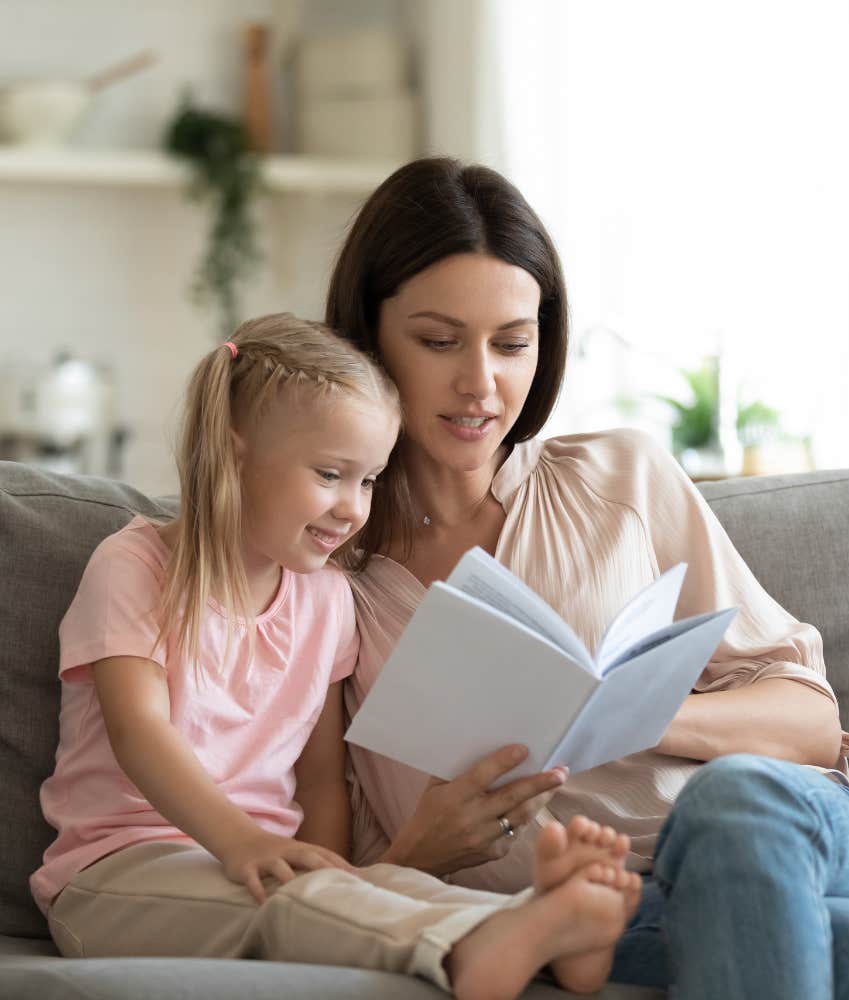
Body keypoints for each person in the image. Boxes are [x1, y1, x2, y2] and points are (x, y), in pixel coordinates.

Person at [326, 157, 849, 999]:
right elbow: (328, 878)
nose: (481, 383)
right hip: (594, 922)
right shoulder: (324, 577)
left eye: (512, 343)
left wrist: (637, 712)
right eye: (438, 340)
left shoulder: (621, 479)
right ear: (369, 334)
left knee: (737, 801)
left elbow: (813, 724)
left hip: (771, 833)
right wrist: (422, 849)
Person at [31, 312, 643, 1000]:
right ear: (236, 457)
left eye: (370, 480)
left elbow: (321, 781)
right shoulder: (136, 566)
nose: (354, 509)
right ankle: (485, 946)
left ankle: (544, 935)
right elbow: (139, 732)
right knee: (291, 905)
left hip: (264, 867)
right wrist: (243, 843)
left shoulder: (326, 601)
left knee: (372, 891)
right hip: (119, 874)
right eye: (331, 474)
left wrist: (332, 867)